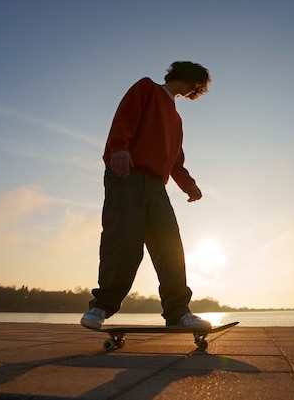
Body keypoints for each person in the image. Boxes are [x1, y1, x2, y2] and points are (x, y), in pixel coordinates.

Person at [81, 61, 212, 330]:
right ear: (188, 78)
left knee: (169, 246)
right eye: (196, 85)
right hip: (126, 174)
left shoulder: (176, 118)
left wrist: (189, 186)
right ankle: (101, 307)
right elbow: (124, 117)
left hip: (156, 185)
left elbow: (175, 161)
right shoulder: (146, 88)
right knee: (124, 241)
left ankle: (178, 312)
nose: (194, 91)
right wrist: (119, 147)